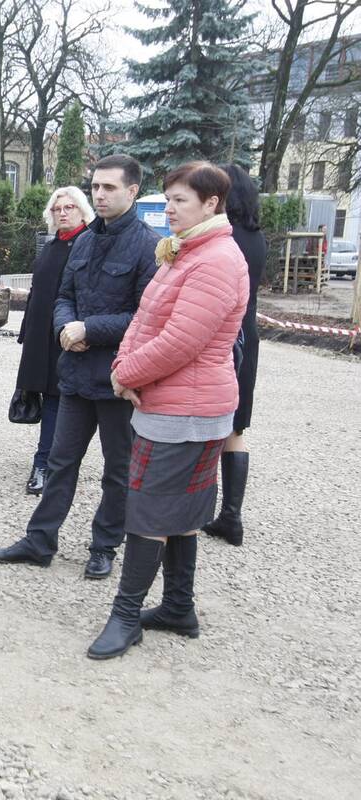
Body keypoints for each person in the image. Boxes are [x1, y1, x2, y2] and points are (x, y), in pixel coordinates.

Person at [89, 161, 249, 659]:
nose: (170, 209)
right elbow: (144, 320)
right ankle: (179, 607)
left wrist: (128, 374)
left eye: (180, 200)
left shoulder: (215, 260)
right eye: (169, 198)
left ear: (211, 203)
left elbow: (181, 341)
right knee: (178, 511)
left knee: (150, 513)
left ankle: (126, 616)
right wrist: (123, 366)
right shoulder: (186, 252)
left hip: (188, 410)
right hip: (174, 403)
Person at [0, 154, 160, 579]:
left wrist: (89, 329)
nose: (99, 194)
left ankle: (104, 546)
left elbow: (146, 317)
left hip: (119, 378)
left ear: (132, 191)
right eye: (95, 186)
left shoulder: (148, 246)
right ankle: (40, 540)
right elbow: (64, 296)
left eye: (109, 188)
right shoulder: (82, 242)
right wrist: (66, 326)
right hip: (76, 374)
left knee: (117, 471)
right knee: (60, 462)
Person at [15, 186, 95, 495]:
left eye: (69, 207)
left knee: (58, 400)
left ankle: (45, 464)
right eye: (57, 208)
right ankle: (49, 461)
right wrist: (26, 332)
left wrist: (83, 330)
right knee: (49, 397)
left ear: (82, 210)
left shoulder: (88, 243)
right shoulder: (51, 246)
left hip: (68, 335)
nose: (62, 213)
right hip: (41, 336)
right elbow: (37, 291)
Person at [202, 164, 266, 547]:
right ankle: (231, 516)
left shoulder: (224, 238)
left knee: (208, 425)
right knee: (235, 429)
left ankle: (199, 510)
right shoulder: (257, 238)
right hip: (248, 334)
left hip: (226, 336)